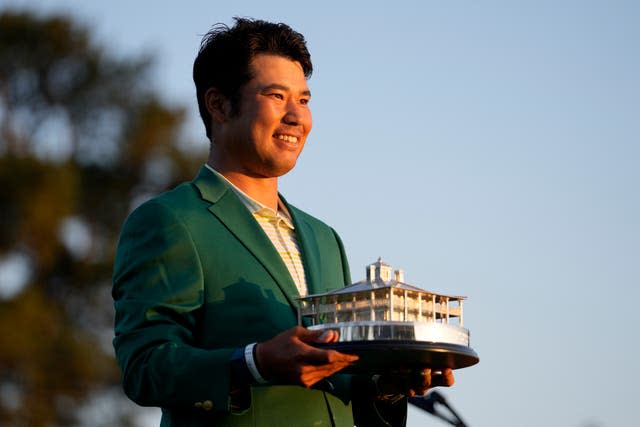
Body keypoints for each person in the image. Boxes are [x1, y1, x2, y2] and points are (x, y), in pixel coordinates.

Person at [112, 17, 454, 427]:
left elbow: (339, 385)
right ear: (218, 105)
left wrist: (389, 383)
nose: (297, 117)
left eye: (305, 101)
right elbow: (144, 368)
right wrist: (254, 363)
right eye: (276, 95)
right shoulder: (170, 220)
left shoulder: (325, 238)